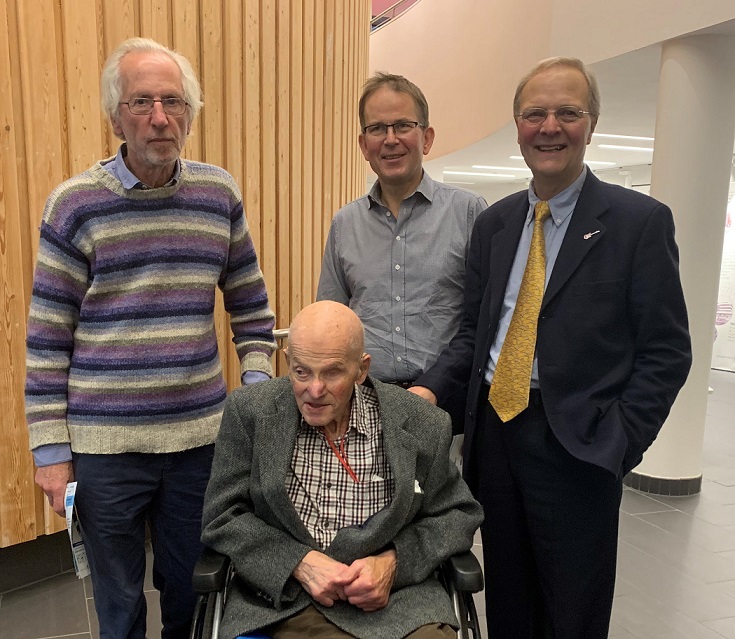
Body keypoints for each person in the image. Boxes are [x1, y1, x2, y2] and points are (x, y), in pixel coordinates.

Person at [411, 57, 692, 638]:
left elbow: (667, 351)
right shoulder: (495, 226)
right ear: (517, 125)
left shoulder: (638, 223)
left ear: (592, 124)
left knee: (573, 611)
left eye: (568, 112)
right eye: (535, 113)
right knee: (510, 602)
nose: (550, 126)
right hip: (496, 438)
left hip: (579, 447)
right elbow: (474, 335)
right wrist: (430, 389)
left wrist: (617, 442)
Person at [25, 37, 276, 639]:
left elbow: (251, 306)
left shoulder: (219, 194)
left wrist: (255, 391)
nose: (160, 117)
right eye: (142, 102)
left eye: (173, 101)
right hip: (105, 451)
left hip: (199, 444)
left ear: (190, 113)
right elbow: (45, 339)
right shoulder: (75, 205)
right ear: (116, 117)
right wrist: (50, 451)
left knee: (194, 588)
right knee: (118, 603)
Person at [201, 301, 483, 639]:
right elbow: (223, 517)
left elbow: (457, 514)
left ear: (361, 369)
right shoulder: (252, 413)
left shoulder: (421, 423)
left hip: (398, 602)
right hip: (287, 603)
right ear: (288, 360)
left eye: (332, 372)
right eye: (301, 371)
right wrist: (298, 563)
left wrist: (395, 562)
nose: (314, 390)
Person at [317, 73, 486, 425]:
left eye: (403, 126)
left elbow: (483, 322)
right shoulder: (345, 225)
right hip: (366, 410)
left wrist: (433, 388)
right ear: (364, 145)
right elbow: (332, 322)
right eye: (378, 129)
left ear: (426, 138)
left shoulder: (469, 214)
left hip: (449, 408)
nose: (390, 140)